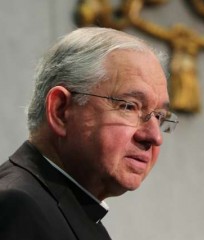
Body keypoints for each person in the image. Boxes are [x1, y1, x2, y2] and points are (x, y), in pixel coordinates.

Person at [0, 27, 178, 239]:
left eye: (159, 116)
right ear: (61, 110)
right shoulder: (18, 206)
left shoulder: (76, 213)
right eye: (129, 107)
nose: (154, 136)